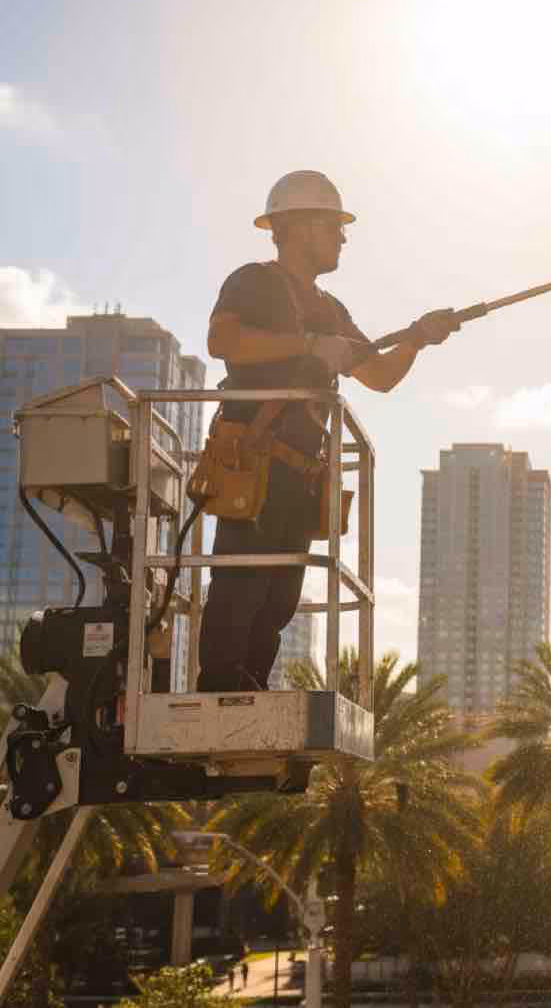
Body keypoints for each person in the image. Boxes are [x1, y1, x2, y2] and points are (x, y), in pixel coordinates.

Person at [196, 169, 458, 691]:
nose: (343, 237)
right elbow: (223, 341)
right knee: (240, 588)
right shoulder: (255, 282)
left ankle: (250, 691)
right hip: (253, 461)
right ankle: (220, 692)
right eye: (333, 226)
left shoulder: (331, 309)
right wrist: (310, 346)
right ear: (298, 226)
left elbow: (377, 375)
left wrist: (416, 340)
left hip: (299, 473)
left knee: (277, 599)